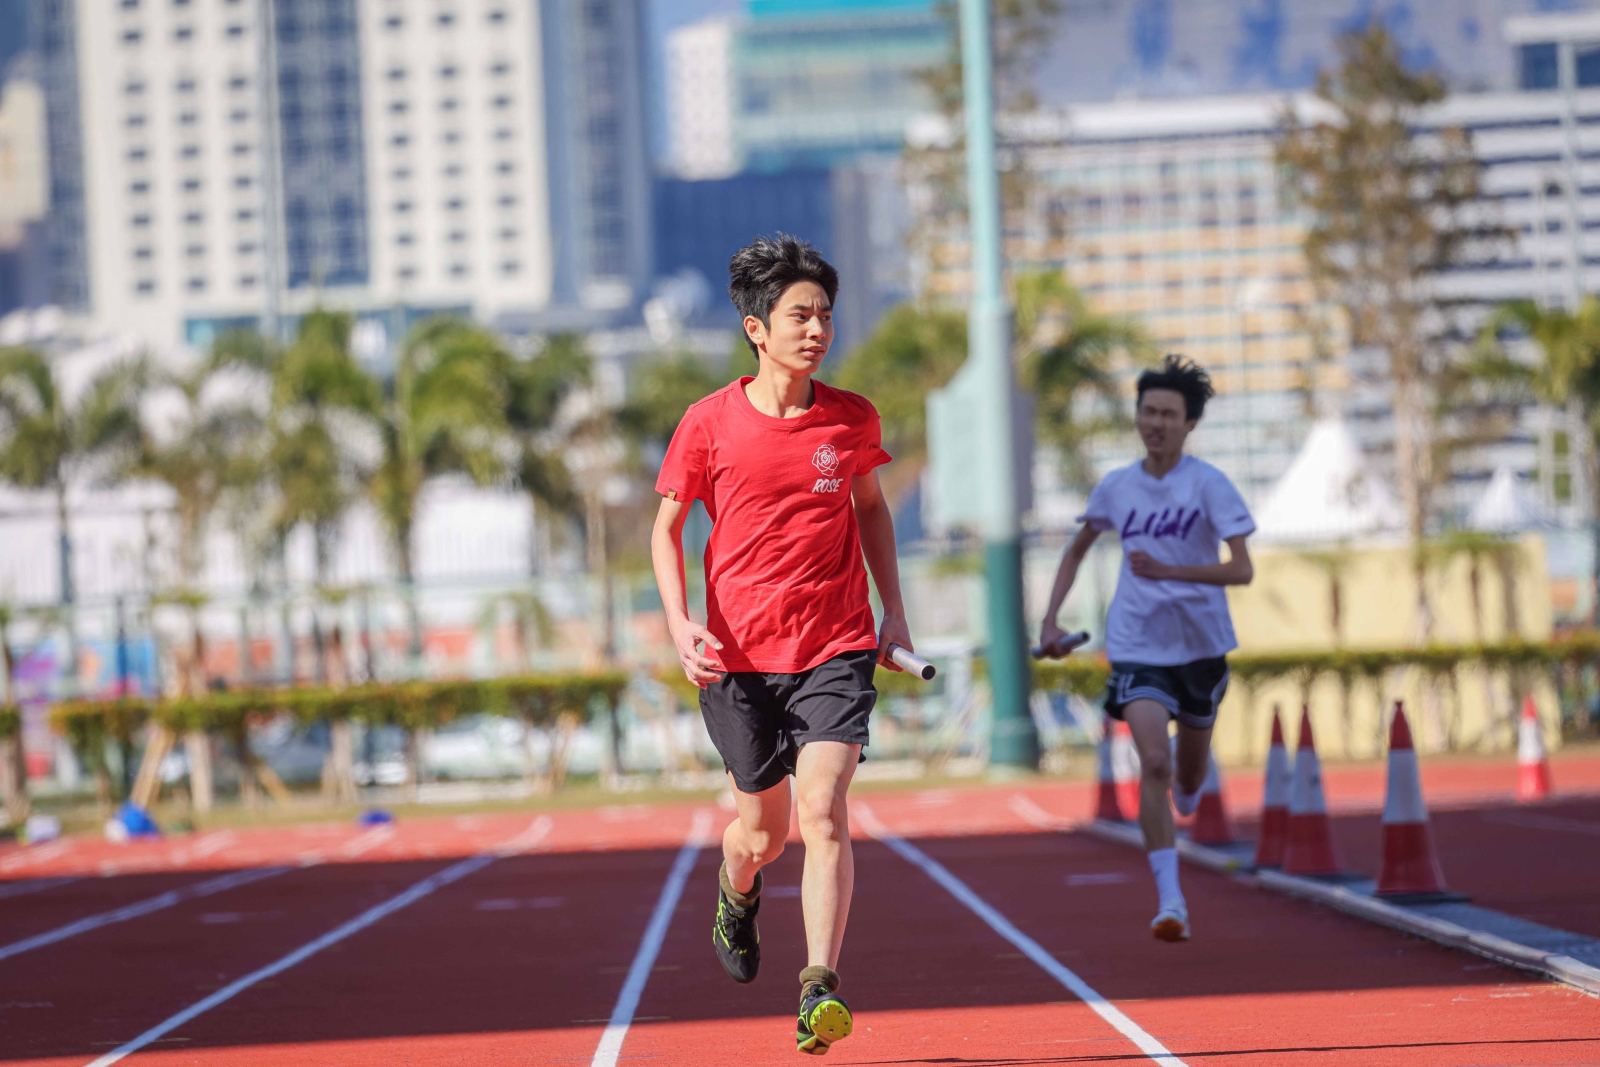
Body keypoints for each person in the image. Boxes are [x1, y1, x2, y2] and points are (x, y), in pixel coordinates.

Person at [650, 234, 914, 1055]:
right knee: (762, 837)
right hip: (737, 659)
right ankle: (737, 890)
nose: (817, 329)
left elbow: (870, 509)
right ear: (756, 328)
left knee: (823, 808)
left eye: (825, 314)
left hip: (835, 643)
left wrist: (893, 612)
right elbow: (666, 529)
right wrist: (680, 622)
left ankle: (817, 989)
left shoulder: (851, 417)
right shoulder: (708, 423)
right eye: (801, 315)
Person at [1037, 355, 1254, 942]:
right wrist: (1051, 620)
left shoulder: (1209, 485)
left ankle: (1190, 781)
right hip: (1137, 646)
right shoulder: (1117, 486)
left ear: (1189, 424)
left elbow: (1242, 570)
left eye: (1168, 414)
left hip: (1202, 647)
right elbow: (1077, 550)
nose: (1155, 422)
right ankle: (1171, 901)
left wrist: (1169, 570)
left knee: (1188, 777)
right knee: (1153, 761)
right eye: (1147, 411)